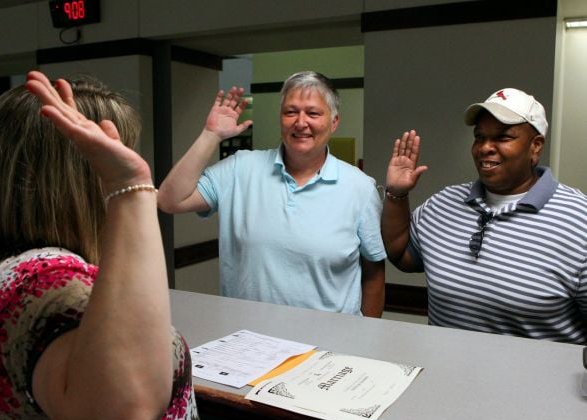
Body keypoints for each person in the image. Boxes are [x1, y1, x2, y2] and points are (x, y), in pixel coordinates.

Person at [0, 71, 203, 420]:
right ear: (87, 171)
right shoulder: (45, 279)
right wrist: (130, 186)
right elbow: (127, 406)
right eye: (121, 152)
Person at [158, 71, 386, 317]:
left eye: (313, 113)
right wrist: (210, 136)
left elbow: (374, 271)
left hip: (329, 346)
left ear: (334, 121)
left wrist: (364, 337)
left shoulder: (360, 187)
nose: (300, 122)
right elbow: (170, 200)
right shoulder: (240, 169)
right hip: (249, 339)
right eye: (290, 112)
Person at [381, 87, 587, 343]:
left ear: (535, 147)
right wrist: (396, 194)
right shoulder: (444, 203)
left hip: (535, 382)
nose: (485, 148)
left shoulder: (579, 220)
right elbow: (401, 254)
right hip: (445, 376)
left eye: (503, 137)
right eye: (480, 137)